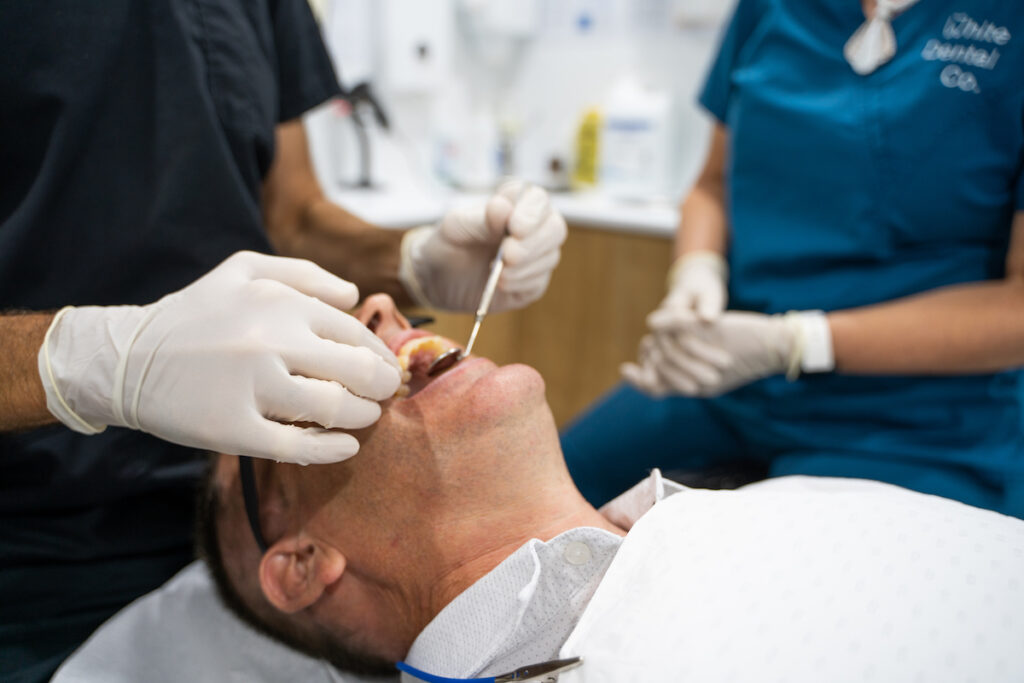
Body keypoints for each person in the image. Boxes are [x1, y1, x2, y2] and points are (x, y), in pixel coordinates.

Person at [0, 3, 566, 680]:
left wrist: (412, 260)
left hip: (237, 553)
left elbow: (292, 215)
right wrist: (82, 363)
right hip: (36, 556)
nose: (379, 308)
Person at [165, 293, 1024, 683]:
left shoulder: (767, 504)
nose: (382, 312)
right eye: (297, 391)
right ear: (305, 562)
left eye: (363, 316)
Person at [561, 0, 1024, 515]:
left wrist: (799, 342)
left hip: (920, 422)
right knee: (544, 496)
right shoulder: (771, 9)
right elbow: (711, 187)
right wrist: (697, 271)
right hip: (732, 378)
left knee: (783, 576)